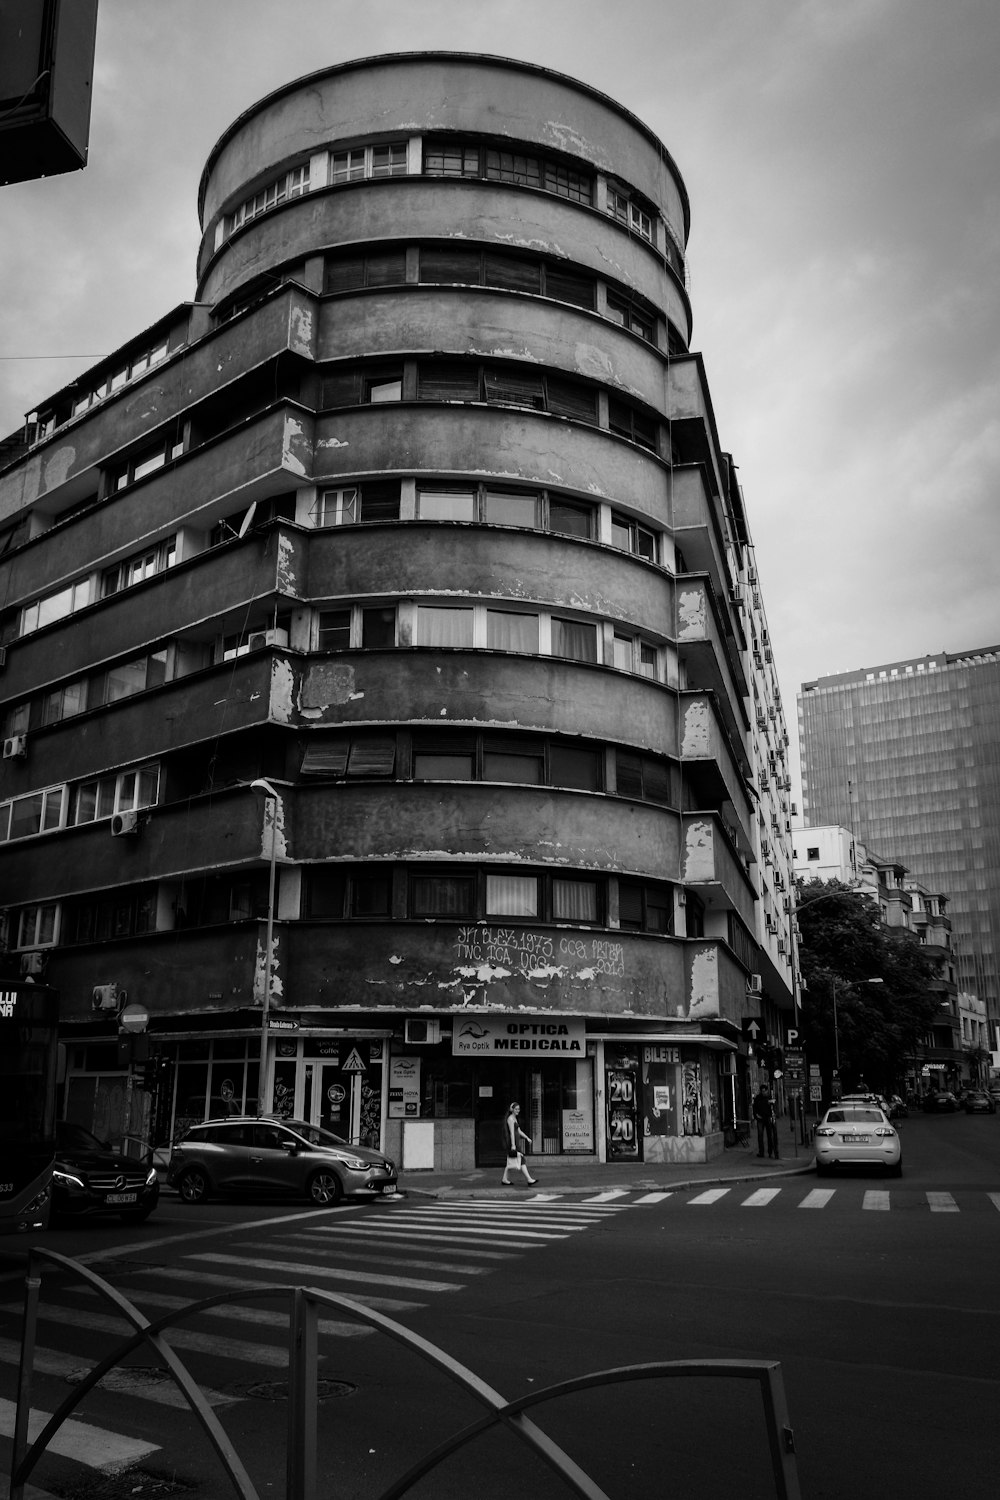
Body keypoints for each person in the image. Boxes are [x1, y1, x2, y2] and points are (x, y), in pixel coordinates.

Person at [501, 1102, 538, 1186]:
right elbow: (512, 1133)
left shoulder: (514, 1118)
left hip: (516, 1142)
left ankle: (504, 1179)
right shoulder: (510, 1119)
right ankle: (529, 1179)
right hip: (514, 1143)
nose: (518, 1110)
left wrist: (527, 1137)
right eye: (516, 1109)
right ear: (512, 1110)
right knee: (522, 1160)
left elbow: (519, 1131)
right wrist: (513, 1145)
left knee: (510, 1162)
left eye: (518, 1109)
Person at [752, 1083, 779, 1159]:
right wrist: (756, 1116)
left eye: (764, 1091)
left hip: (768, 1118)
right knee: (760, 1136)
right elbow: (755, 1108)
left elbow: (773, 1107)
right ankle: (761, 1152)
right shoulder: (758, 1098)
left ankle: (770, 1151)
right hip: (761, 1118)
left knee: (770, 1135)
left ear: (767, 1091)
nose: (763, 1092)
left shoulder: (769, 1098)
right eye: (762, 1091)